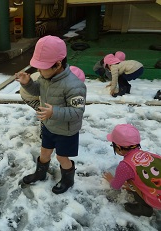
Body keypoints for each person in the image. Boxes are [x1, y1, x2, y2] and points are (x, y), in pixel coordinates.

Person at [15, 35, 87, 194]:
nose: (38, 70)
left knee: (62, 157)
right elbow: (37, 91)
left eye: (42, 66)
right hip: (49, 125)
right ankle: (40, 173)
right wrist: (27, 83)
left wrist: (54, 112)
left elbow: (77, 111)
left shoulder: (74, 86)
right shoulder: (46, 77)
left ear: (58, 64)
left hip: (66, 131)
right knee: (44, 152)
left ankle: (68, 179)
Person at [103, 124, 161, 217]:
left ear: (118, 147)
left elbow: (116, 186)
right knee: (138, 175)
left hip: (158, 200)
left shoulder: (125, 166)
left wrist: (111, 180)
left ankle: (144, 208)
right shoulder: (150, 155)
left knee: (130, 177)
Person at [19, 66, 85, 138]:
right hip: (29, 96)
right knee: (44, 112)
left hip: (31, 88)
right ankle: (44, 133)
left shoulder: (55, 77)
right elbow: (44, 100)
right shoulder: (48, 83)